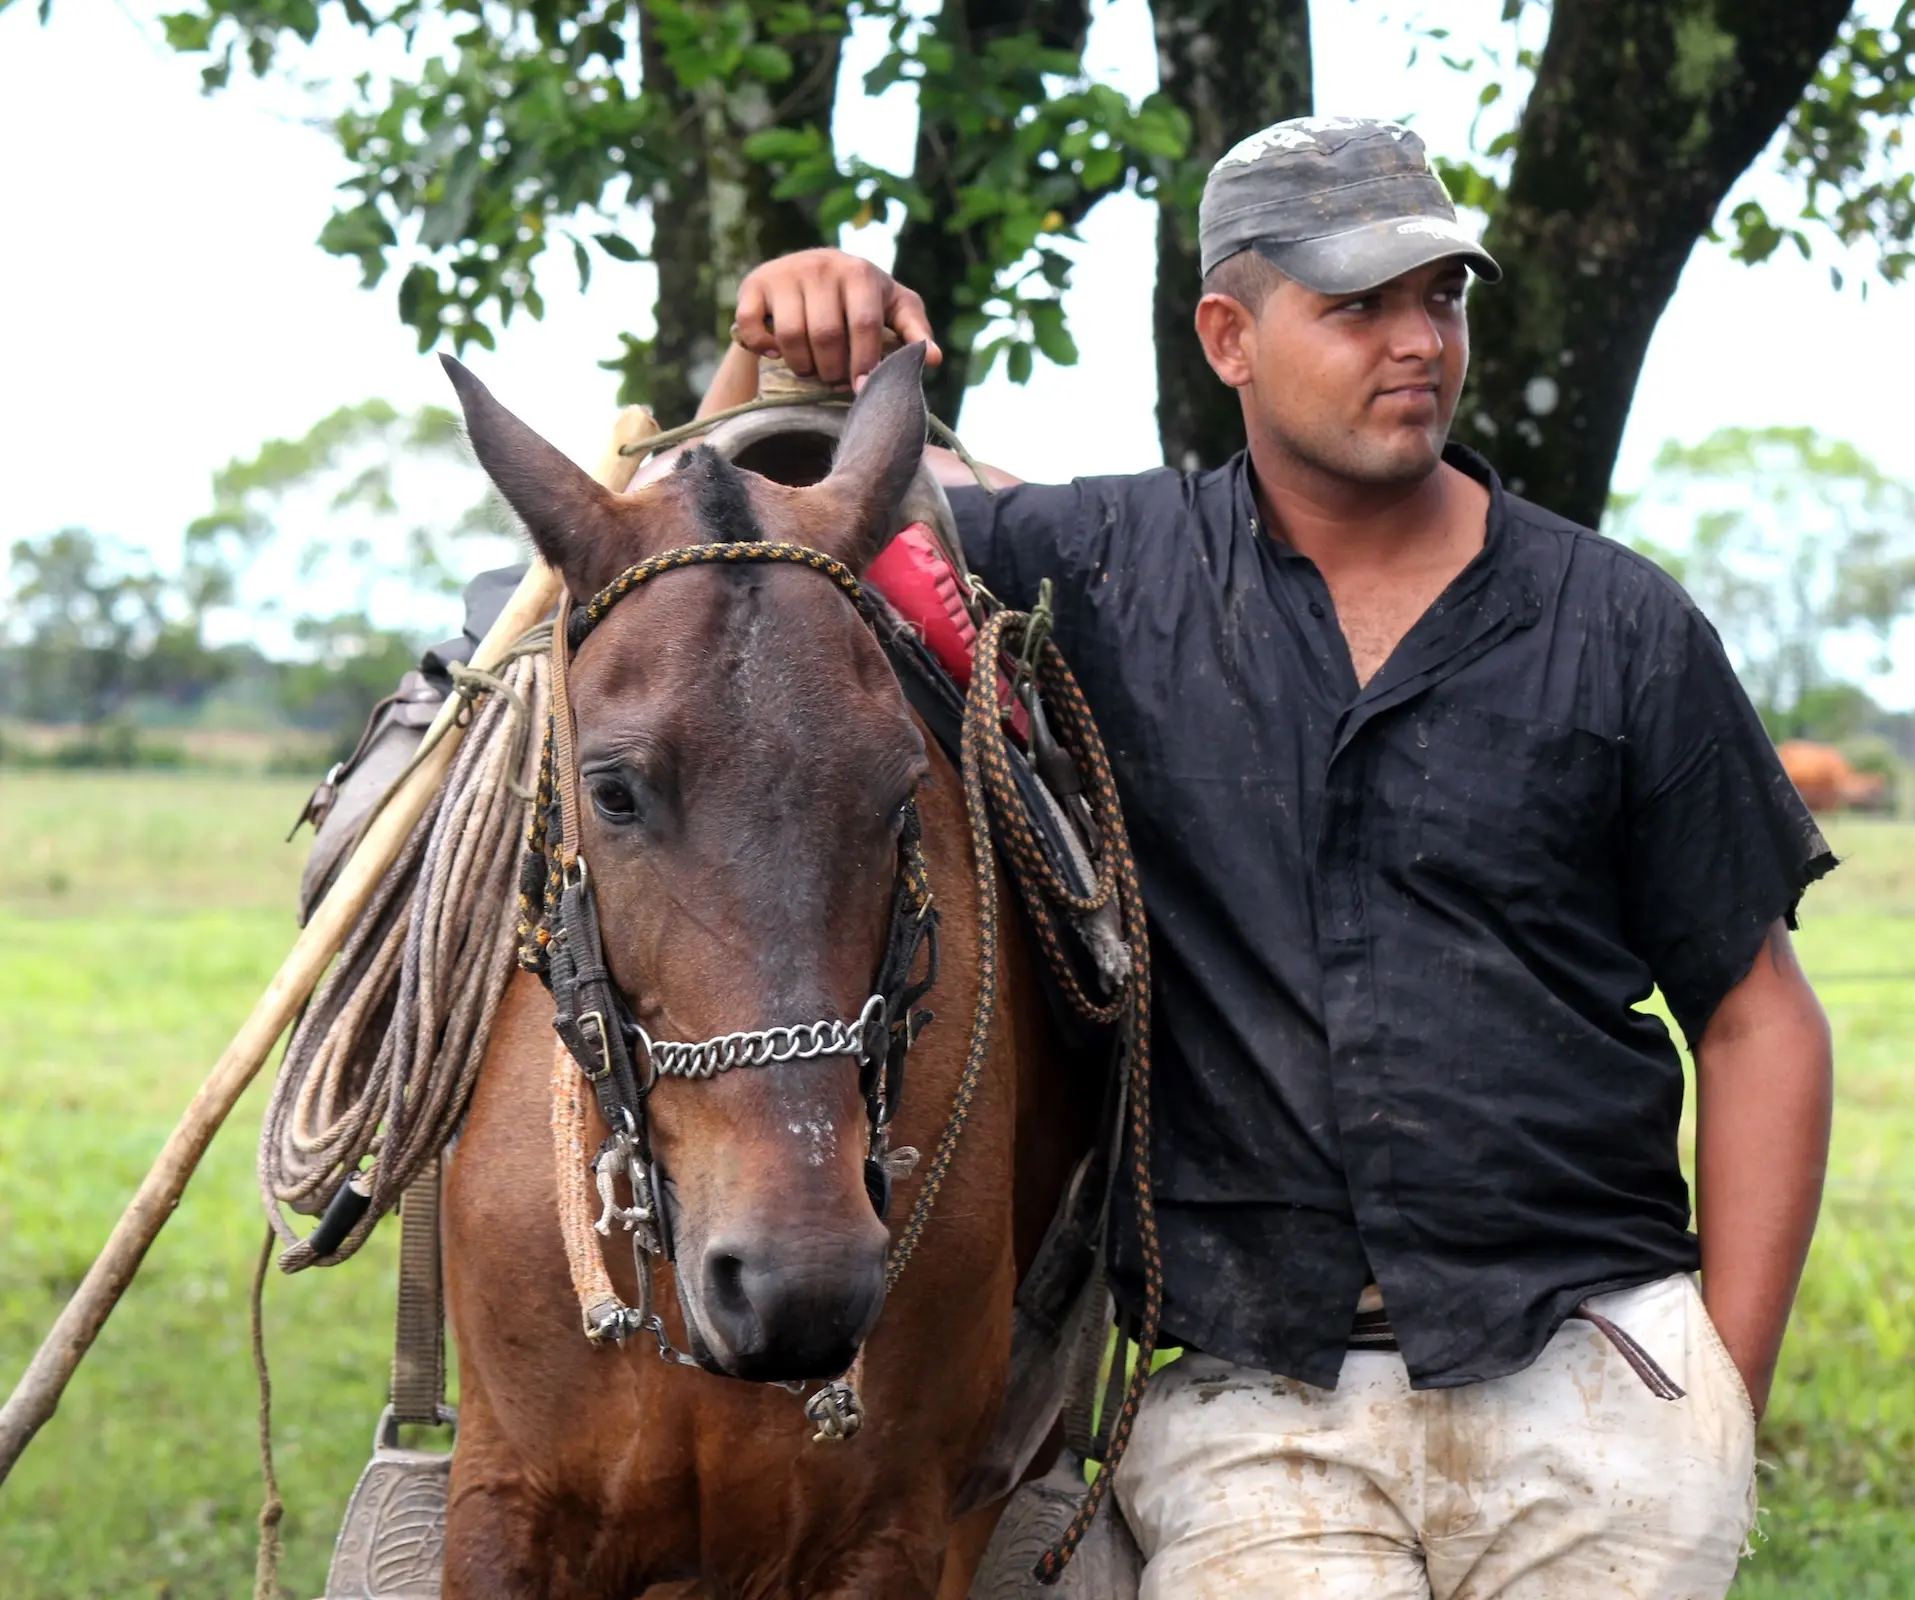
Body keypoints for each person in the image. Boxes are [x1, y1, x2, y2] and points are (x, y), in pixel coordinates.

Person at [700, 117, 1836, 1598]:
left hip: (1591, 1371)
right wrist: (773, 340)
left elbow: (1758, 1020)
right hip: (1257, 1408)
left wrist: (1718, 1405)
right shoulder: (1092, 580)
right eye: (1357, 304)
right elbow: (739, 551)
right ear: (1228, 335)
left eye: (1442, 296)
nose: (1417, 340)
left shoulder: (1619, 629)